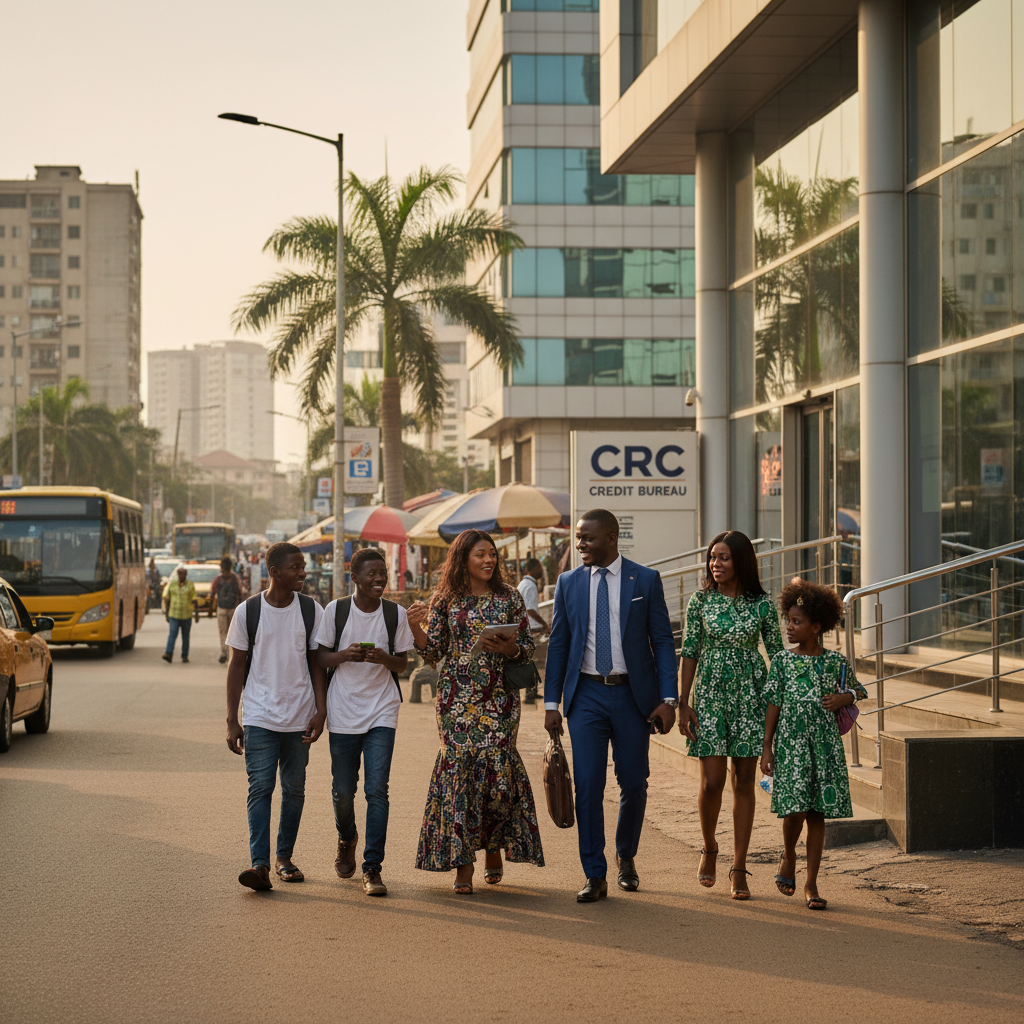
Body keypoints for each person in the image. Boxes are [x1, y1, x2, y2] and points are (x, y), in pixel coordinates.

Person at [543, 509, 678, 903]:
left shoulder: (645, 580)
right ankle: (594, 873)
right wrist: (552, 702)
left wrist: (668, 699)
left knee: (634, 783)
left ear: (612, 538)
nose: (580, 544)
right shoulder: (568, 583)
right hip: (586, 697)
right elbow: (558, 644)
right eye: (578, 537)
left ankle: (626, 854)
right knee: (587, 786)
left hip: (634, 698)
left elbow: (663, 643)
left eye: (587, 537)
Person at [406, 529, 544, 894]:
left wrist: (510, 648)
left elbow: (526, 648)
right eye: (480, 554)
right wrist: (413, 628)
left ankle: (494, 846)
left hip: (499, 698)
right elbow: (433, 652)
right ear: (463, 559)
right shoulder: (446, 599)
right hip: (456, 700)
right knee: (459, 779)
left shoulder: (510, 597)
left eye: (492, 554)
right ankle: (463, 863)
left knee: (498, 778)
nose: (488, 560)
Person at [676, 530, 783, 899]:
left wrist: (786, 702)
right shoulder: (700, 601)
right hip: (709, 696)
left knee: (743, 782)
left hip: (751, 696)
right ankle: (709, 848)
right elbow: (689, 650)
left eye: (723, 558)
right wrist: (683, 701)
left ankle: (739, 865)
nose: (715, 564)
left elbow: (778, 656)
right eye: (712, 558)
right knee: (711, 781)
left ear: (741, 561)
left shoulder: (763, 606)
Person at [313, 548, 416, 897]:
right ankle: (346, 836)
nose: (379, 579)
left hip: (382, 710)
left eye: (382, 573)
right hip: (342, 709)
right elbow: (320, 657)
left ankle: (373, 868)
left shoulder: (395, 614)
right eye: (371, 574)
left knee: (377, 790)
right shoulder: (336, 611)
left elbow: (403, 665)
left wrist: (383, 657)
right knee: (343, 791)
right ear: (353, 577)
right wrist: (346, 655)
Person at [225, 542, 327, 892]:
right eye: (296, 567)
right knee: (261, 788)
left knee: (294, 790)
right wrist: (231, 718)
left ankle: (284, 858)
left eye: (303, 566)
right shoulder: (247, 612)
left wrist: (320, 709)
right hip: (259, 715)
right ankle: (261, 864)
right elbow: (236, 666)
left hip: (299, 715)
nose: (302, 572)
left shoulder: (312, 610)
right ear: (274, 572)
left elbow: (317, 663)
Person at [761, 580, 867, 910]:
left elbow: (858, 691)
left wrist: (842, 697)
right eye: (788, 620)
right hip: (791, 746)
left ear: (816, 627)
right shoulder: (781, 661)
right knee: (794, 811)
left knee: (817, 813)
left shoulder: (836, 662)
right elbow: (773, 703)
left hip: (824, 748)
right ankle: (788, 854)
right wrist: (767, 746)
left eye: (797, 622)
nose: (789, 627)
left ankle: (811, 883)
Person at [517, 557, 549, 705]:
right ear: (531, 569)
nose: (541, 571)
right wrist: (544, 624)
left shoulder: (524, 584)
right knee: (532, 661)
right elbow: (530, 609)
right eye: (539, 568)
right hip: (531, 629)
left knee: (531, 661)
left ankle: (532, 691)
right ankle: (530, 693)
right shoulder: (529, 585)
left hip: (525, 628)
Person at [211, 557, 245, 665]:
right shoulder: (234, 578)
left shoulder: (220, 579)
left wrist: (210, 610)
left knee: (227, 633)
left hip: (227, 609)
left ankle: (227, 653)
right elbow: (240, 593)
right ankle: (227, 653)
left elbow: (212, 593)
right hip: (228, 608)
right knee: (228, 633)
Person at [162, 564, 197, 664]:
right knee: (172, 634)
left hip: (186, 615)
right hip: (174, 614)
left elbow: (194, 599)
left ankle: (184, 655)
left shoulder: (190, 585)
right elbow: (167, 599)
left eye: (184, 574)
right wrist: (166, 613)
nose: (182, 576)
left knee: (185, 636)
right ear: (177, 574)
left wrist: (196, 614)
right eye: (180, 574)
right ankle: (168, 653)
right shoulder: (172, 584)